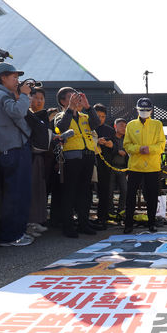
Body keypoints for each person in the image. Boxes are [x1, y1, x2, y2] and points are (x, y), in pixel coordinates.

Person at [0, 62, 34, 247]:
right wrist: (23, 95)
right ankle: (11, 236)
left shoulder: (2, 94)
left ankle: (17, 233)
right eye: (14, 76)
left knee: (19, 194)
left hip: (13, 148)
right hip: (13, 150)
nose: (17, 80)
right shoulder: (0, 95)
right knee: (16, 195)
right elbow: (17, 112)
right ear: (2, 78)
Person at [54, 87, 102, 238]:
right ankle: (68, 226)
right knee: (70, 192)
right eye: (70, 97)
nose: (75, 100)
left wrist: (88, 107)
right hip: (72, 157)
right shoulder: (60, 115)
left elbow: (95, 124)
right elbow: (61, 128)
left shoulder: (84, 116)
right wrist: (70, 109)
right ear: (63, 101)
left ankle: (84, 223)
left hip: (87, 155)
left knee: (85, 192)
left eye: (76, 97)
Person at [123, 98, 166, 234]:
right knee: (130, 197)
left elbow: (161, 145)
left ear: (151, 110)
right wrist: (138, 148)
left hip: (152, 167)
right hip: (135, 166)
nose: (144, 112)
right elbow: (126, 145)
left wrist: (150, 149)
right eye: (141, 110)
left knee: (152, 197)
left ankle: (151, 223)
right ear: (137, 110)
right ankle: (128, 224)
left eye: (147, 110)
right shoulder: (130, 125)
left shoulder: (157, 124)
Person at [26, 88, 50, 238]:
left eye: (42, 98)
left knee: (39, 190)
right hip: (29, 156)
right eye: (36, 98)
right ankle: (29, 223)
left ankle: (37, 221)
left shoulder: (42, 116)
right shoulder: (26, 115)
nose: (40, 101)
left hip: (40, 157)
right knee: (31, 191)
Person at [92, 103, 116, 230]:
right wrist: (96, 141)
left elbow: (116, 148)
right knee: (86, 191)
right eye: (98, 116)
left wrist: (110, 145)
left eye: (103, 116)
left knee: (105, 192)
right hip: (90, 162)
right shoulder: (88, 127)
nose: (100, 118)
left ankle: (103, 217)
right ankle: (83, 217)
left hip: (104, 164)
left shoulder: (110, 130)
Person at [106, 118, 128, 220]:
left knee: (125, 190)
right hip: (111, 167)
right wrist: (117, 151)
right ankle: (110, 212)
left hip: (123, 168)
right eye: (121, 125)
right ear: (115, 126)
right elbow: (107, 151)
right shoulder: (110, 138)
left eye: (125, 126)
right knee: (109, 191)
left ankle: (121, 211)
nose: (124, 128)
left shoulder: (127, 139)